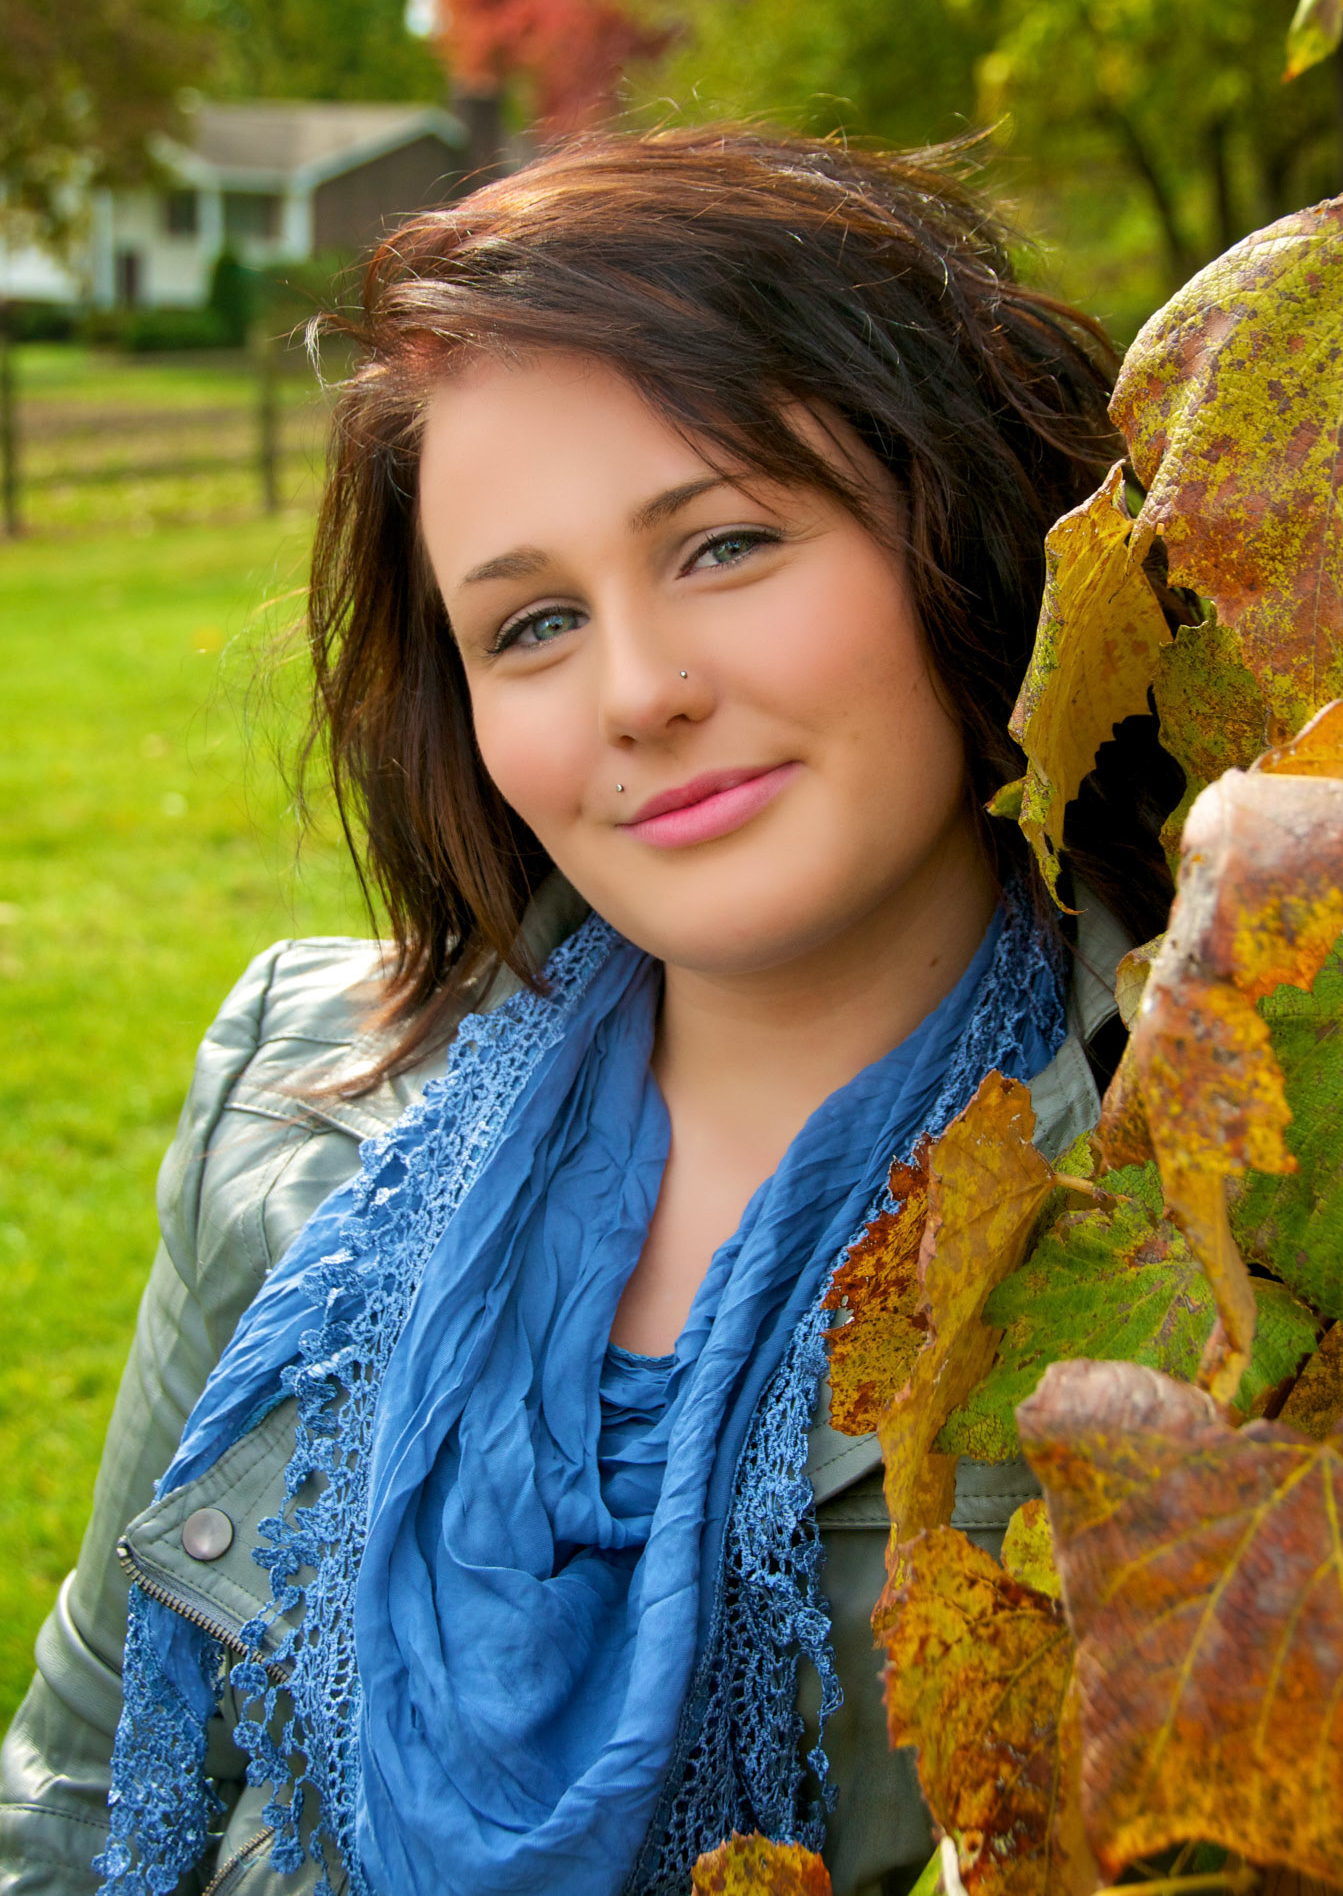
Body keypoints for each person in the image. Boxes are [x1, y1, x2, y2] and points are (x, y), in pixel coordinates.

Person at [0, 126, 1176, 1896]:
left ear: (963, 518)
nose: (637, 692)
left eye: (724, 544)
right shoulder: (299, 1111)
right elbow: (74, 1806)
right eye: (533, 624)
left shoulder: (1223, 1202)